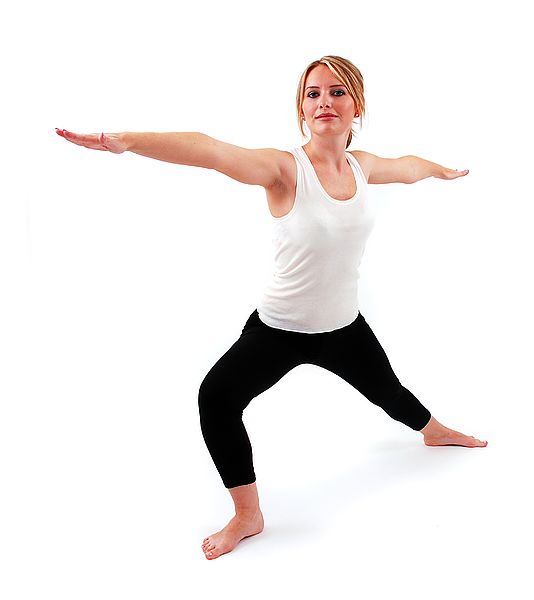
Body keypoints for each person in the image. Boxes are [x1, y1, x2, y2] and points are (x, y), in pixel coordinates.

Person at [56, 55, 487, 560]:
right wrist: (127, 142)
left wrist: (438, 171)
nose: (324, 101)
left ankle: (433, 433)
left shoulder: (361, 166)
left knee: (387, 389)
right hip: (278, 329)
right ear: (301, 109)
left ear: (357, 106)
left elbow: (407, 168)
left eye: (337, 92)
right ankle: (247, 514)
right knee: (216, 399)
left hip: (343, 326)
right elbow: (210, 151)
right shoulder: (284, 169)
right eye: (312, 94)